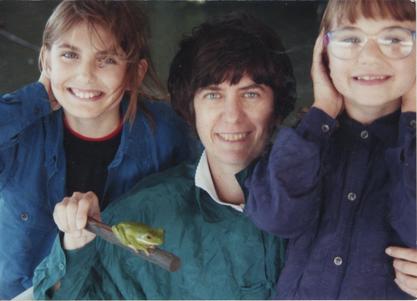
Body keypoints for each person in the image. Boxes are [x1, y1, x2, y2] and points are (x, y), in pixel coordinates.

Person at [32, 14, 296, 299]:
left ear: (276, 104)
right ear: (190, 106)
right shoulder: (142, 210)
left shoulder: (321, 195)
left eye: (251, 94)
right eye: (212, 95)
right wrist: (76, 242)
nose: (232, 116)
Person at [0, 1, 192, 299]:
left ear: (134, 74)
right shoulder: (20, 131)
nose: (85, 75)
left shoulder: (166, 132)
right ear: (46, 61)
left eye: (107, 60)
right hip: (27, 292)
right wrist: (33, 100)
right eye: (69, 55)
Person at [244, 0, 416, 299]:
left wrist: (411, 119)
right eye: (350, 39)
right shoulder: (305, 138)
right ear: (323, 54)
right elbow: (277, 217)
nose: (370, 56)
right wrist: (322, 109)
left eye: (394, 38)